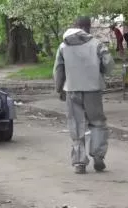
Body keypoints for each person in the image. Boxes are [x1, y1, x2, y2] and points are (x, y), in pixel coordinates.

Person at [53, 16, 115, 174]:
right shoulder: (96, 44)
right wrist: (101, 71)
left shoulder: (63, 46)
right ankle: (98, 155)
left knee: (75, 124)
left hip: (72, 89)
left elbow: (58, 70)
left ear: (75, 25)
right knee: (98, 122)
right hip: (93, 89)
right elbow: (109, 64)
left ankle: (79, 163)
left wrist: (59, 88)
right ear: (88, 27)